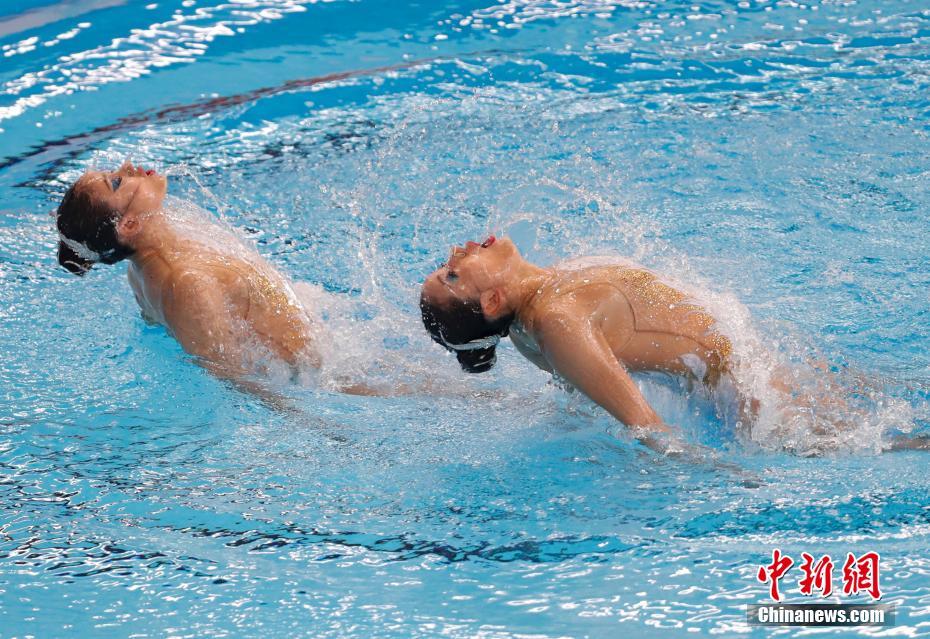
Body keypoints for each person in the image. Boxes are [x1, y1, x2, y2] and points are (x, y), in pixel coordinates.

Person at [420, 234, 744, 445]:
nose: (456, 252)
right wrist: (734, 479)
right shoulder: (558, 321)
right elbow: (648, 429)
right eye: (452, 275)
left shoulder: (532, 316)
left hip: (732, 385)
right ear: (492, 301)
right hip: (748, 393)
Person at [56, 160, 322, 388]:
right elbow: (233, 377)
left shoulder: (140, 270)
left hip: (305, 343)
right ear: (129, 224)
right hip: (311, 373)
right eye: (116, 182)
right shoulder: (187, 282)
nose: (128, 166)